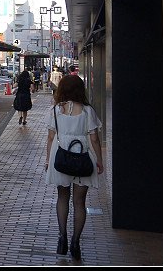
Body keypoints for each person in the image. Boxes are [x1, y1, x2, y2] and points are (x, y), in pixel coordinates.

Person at [44, 75, 103, 260]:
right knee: (79, 202)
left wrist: (47, 160)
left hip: (60, 157)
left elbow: (51, 137)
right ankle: (75, 243)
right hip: (82, 157)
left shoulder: (55, 110)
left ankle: (62, 239)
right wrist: (99, 160)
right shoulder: (87, 111)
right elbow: (94, 138)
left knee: (62, 197)